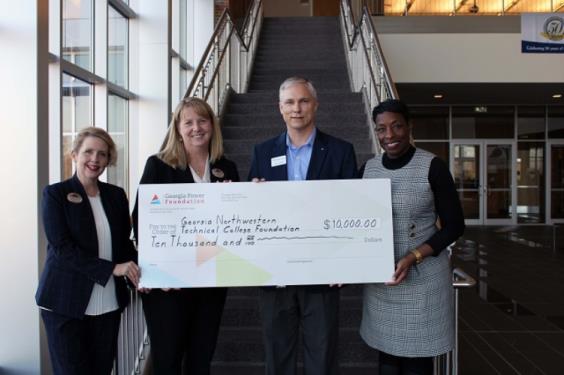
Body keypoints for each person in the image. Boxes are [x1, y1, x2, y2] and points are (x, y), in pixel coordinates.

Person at [248, 77, 358, 375]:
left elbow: (352, 209)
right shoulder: (262, 152)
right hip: (275, 274)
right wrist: (252, 195)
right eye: (289, 102)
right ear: (280, 108)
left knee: (322, 359)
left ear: (315, 105)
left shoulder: (340, 151)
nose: (297, 108)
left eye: (303, 101)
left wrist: (345, 263)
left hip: (323, 273)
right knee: (277, 358)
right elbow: (251, 215)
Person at [132, 97, 239, 374]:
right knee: (167, 360)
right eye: (188, 122)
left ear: (212, 126)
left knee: (201, 359)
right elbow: (141, 218)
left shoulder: (226, 168)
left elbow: (238, 221)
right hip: (169, 282)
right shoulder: (158, 165)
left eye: (202, 120)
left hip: (211, 277)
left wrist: (239, 198)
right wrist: (155, 269)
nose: (196, 128)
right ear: (177, 129)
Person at [360, 99, 465, 375]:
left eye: (396, 126)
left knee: (417, 364)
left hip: (423, 285)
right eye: (381, 129)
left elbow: (455, 225)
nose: (389, 135)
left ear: (409, 127)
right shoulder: (367, 170)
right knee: (388, 364)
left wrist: (412, 256)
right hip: (383, 285)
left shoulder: (432, 166)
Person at [36, 127, 140, 375]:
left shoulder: (116, 196)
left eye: (102, 154)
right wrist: (112, 268)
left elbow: (124, 245)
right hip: (65, 303)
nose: (95, 159)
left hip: (107, 305)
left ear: (108, 160)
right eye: (88, 152)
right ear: (74, 155)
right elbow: (63, 249)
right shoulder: (55, 194)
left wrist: (146, 272)